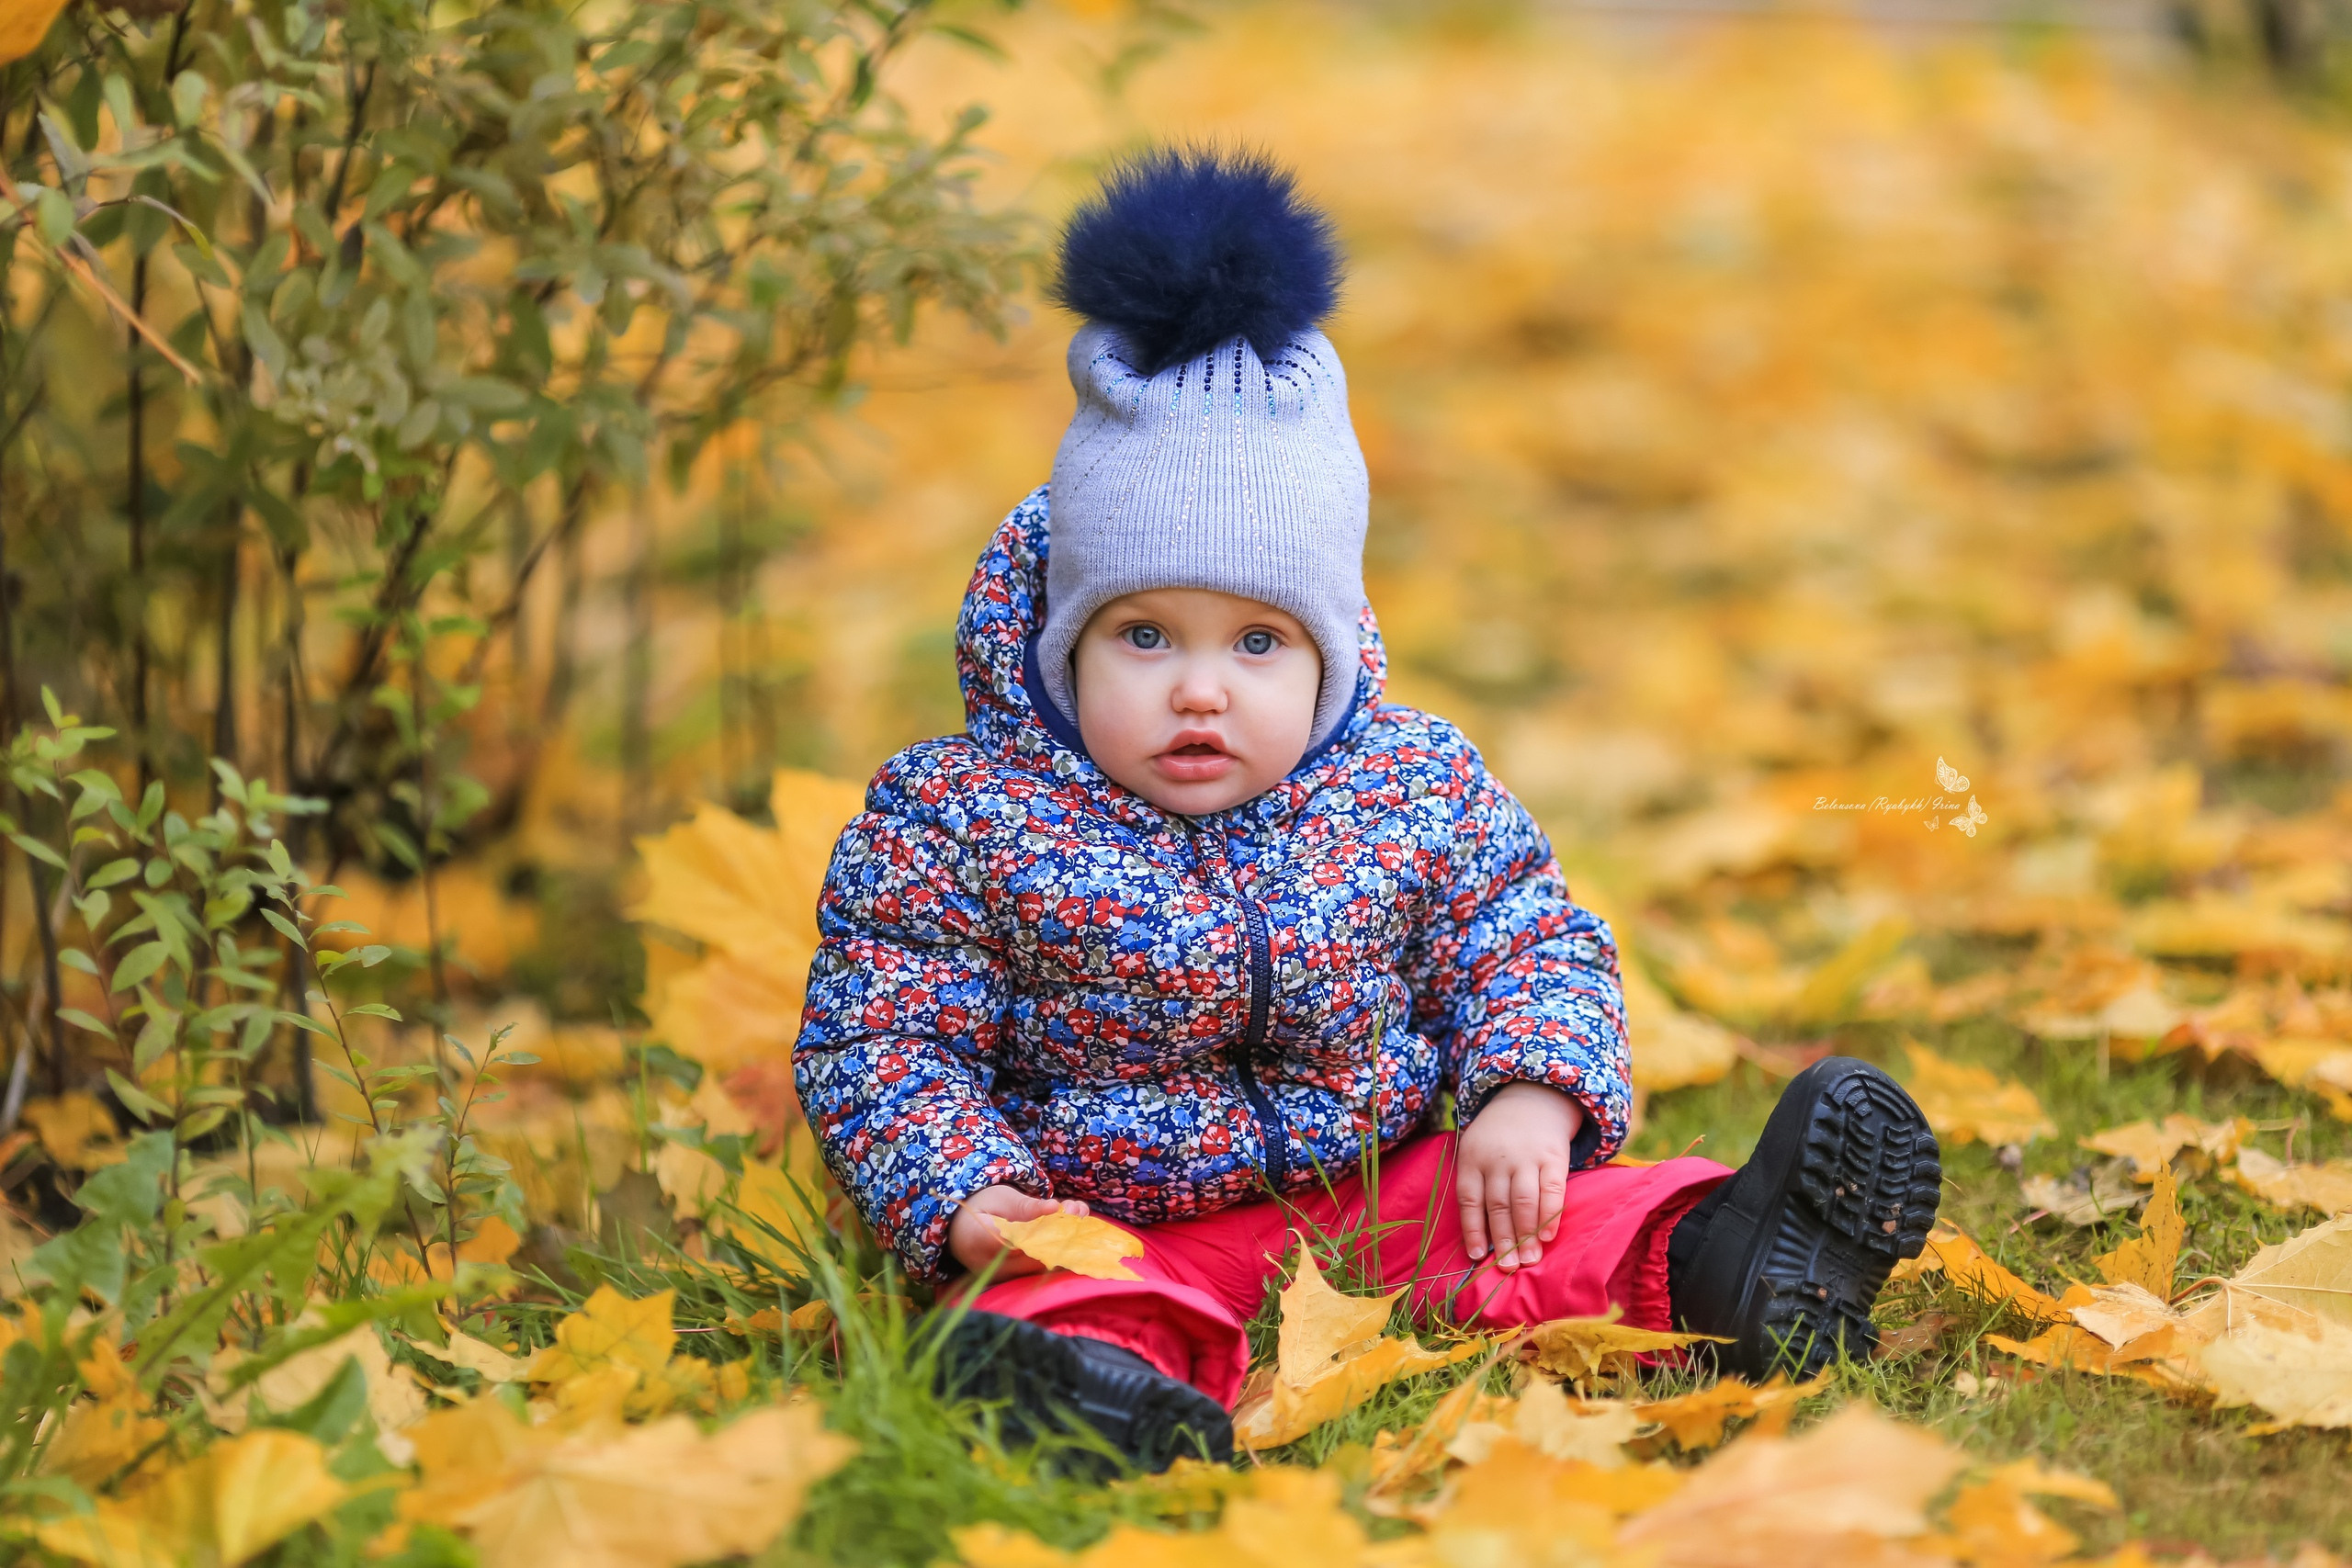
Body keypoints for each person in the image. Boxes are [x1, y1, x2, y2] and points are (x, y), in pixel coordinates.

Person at [793, 147, 1941, 1472]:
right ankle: (1096, 1388)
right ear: (1063, 641)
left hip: (1368, 1185)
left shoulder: (1407, 783)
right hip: (1102, 1206)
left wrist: (1527, 1093)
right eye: (1148, 636)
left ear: (1333, 650)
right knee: (1063, 1289)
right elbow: (884, 1038)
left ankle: (1719, 1264)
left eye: (1260, 645)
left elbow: (1525, 936)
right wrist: (967, 1197)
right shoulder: (958, 818)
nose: (1202, 693)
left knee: (1519, 1215)